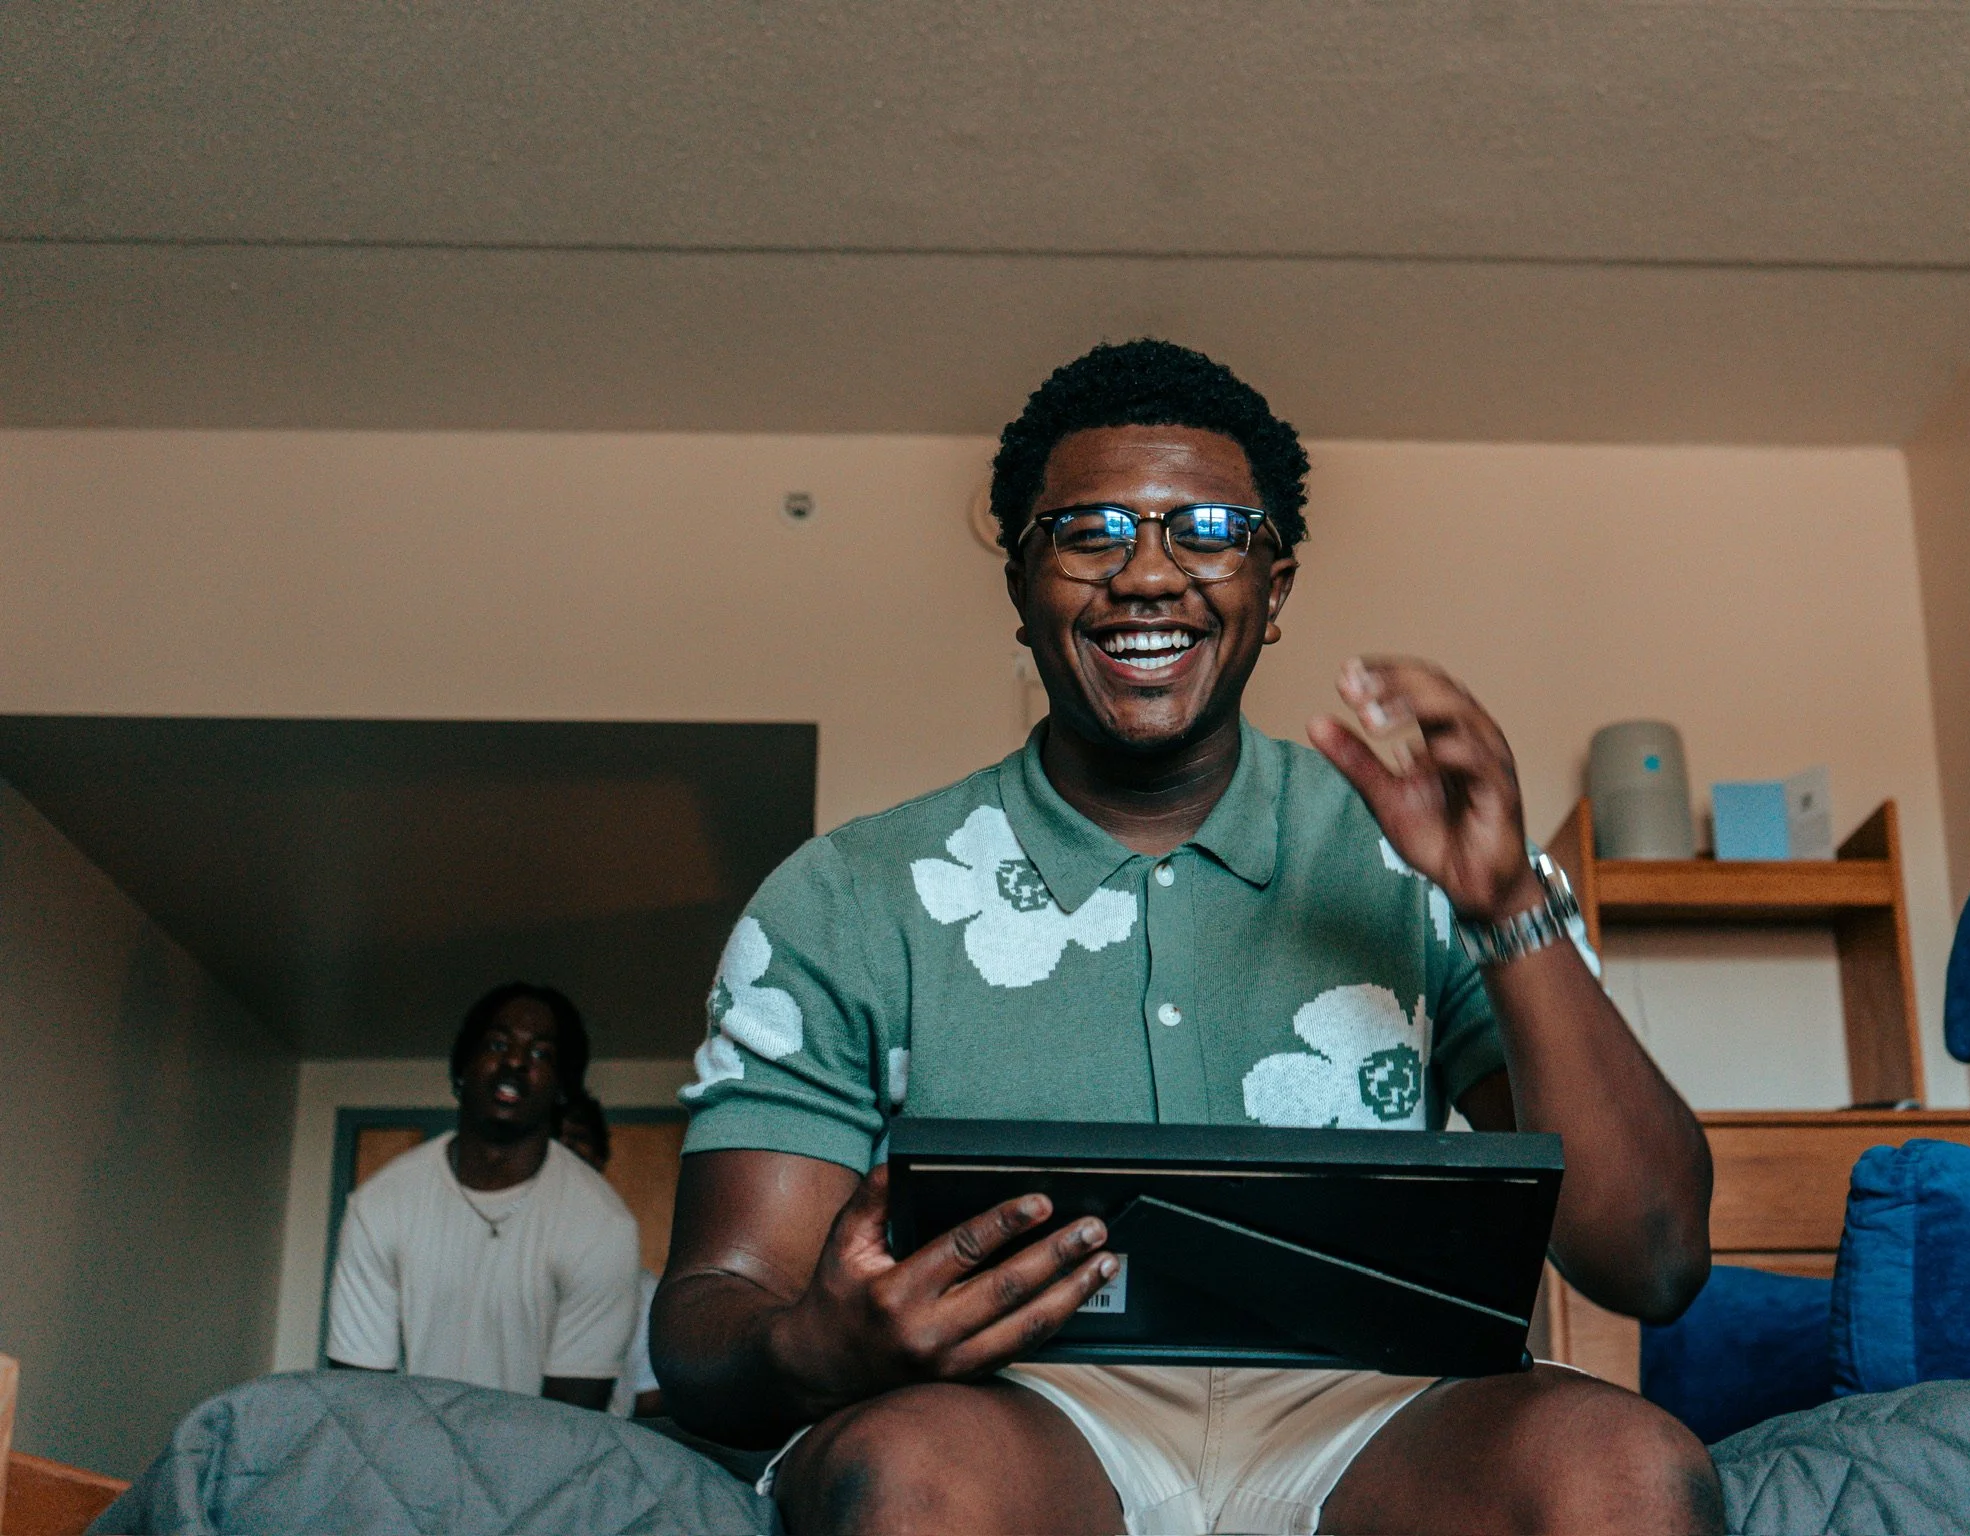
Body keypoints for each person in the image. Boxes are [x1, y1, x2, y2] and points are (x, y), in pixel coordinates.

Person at [657, 340, 1721, 1533]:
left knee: (1627, 1472)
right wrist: (818, 1348)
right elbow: (709, 1318)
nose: (1149, 575)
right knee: (910, 1479)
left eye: (1210, 531)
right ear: (1020, 588)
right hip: (1010, 1409)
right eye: (1089, 533)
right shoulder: (848, 895)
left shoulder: (1411, 857)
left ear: (1276, 590)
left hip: (1375, 1410)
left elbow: (1654, 1259)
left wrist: (1505, 904)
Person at [326, 983, 641, 1410]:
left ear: (562, 1088)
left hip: (548, 1450)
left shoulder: (602, 1225)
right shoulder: (379, 1206)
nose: (515, 1061)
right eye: (497, 1044)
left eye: (541, 1053)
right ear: (463, 1066)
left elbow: (570, 1423)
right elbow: (359, 1401)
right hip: (409, 1448)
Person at [557, 1090, 666, 1418]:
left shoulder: (643, 1290)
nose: (564, 1149)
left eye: (578, 1138)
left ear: (599, 1157)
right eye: (553, 1138)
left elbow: (651, 1404)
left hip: (600, 1446)